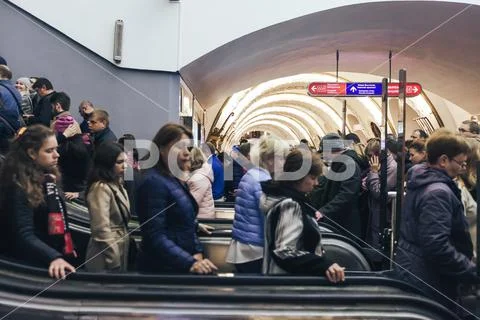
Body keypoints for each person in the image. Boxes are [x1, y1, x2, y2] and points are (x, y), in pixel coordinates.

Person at [394, 130, 478, 317]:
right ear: (443, 160)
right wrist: (470, 270)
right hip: (429, 275)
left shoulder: (422, 180)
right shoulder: (438, 192)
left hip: (415, 267)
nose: (463, 168)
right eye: (460, 163)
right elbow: (436, 244)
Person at [136, 123, 217, 274]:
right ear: (161, 150)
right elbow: (155, 236)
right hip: (162, 270)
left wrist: (196, 248)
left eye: (188, 148)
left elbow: (178, 217)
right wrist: (190, 262)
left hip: (178, 264)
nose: (187, 153)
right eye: (179, 147)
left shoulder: (173, 179)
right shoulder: (154, 183)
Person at [0, 125, 76, 279]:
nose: (57, 155)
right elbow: (23, 232)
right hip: (28, 265)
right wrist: (53, 256)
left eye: (56, 149)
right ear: (32, 153)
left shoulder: (48, 178)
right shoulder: (18, 185)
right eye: (49, 151)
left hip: (47, 254)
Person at [261, 149, 345, 282]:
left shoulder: (287, 200)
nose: (316, 183)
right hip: (289, 285)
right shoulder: (289, 205)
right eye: (312, 178)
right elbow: (284, 251)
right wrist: (322, 265)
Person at [226, 136, 288, 273]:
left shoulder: (251, 175)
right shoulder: (263, 181)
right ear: (270, 159)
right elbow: (270, 219)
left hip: (244, 246)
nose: (284, 162)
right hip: (255, 250)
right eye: (282, 157)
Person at [85, 142, 131, 272]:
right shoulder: (100, 188)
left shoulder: (117, 184)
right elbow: (100, 229)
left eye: (125, 161)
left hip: (119, 244)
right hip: (105, 253)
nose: (125, 166)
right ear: (107, 163)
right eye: (119, 162)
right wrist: (113, 259)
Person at [186, 147, 215, 219]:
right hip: (201, 216)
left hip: (201, 219)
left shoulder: (198, 179)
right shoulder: (200, 174)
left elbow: (191, 205)